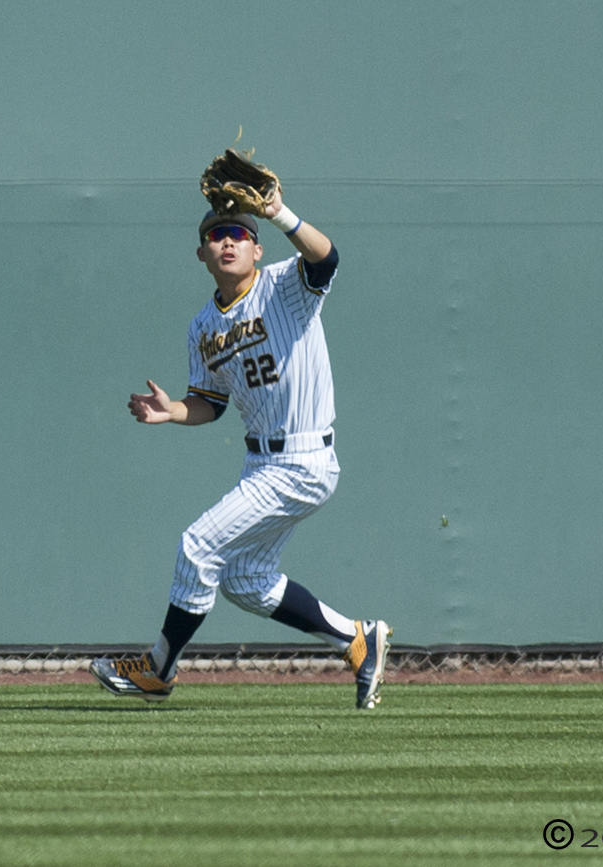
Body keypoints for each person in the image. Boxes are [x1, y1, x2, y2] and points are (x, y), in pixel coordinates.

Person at [90, 188, 391, 709]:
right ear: (201, 253)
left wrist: (279, 214)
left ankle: (158, 669)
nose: (227, 241)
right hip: (263, 463)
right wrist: (173, 411)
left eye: (238, 234)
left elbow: (327, 259)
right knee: (244, 579)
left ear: (256, 248)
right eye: (216, 235)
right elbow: (211, 403)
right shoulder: (202, 327)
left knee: (198, 545)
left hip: (303, 457)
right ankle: (356, 639)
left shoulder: (284, 285)